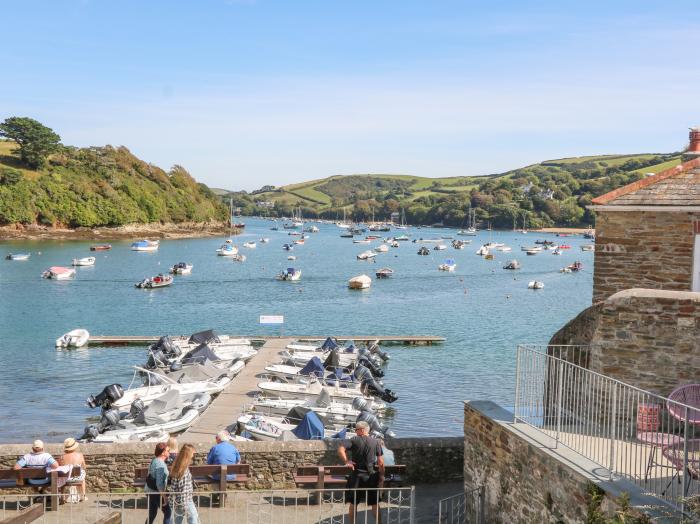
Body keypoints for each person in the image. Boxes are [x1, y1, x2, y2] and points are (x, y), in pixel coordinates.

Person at [338, 421, 385, 524]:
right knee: (375, 504)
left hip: (357, 477)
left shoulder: (353, 440)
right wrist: (381, 476)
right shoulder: (376, 442)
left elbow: (341, 449)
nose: (355, 432)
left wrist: (347, 461)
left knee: (353, 504)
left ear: (362, 430)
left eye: (357, 430)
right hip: (371, 476)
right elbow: (381, 462)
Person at [167, 444, 199, 524]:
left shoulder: (177, 466)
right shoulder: (184, 470)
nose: (193, 456)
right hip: (185, 500)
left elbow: (176, 487)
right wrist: (185, 506)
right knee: (194, 519)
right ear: (188, 455)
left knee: (178, 520)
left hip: (176, 500)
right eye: (192, 454)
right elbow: (183, 489)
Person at [145, 442, 172, 524]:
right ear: (163, 452)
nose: (169, 452)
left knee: (152, 513)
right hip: (156, 492)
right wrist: (164, 497)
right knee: (168, 513)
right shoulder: (160, 464)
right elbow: (159, 484)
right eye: (168, 451)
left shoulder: (154, 460)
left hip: (149, 490)